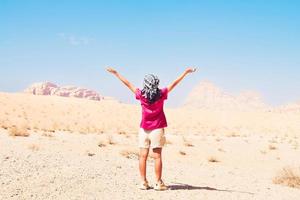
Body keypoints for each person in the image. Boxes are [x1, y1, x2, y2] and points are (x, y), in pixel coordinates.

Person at [106, 67, 196, 190]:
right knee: (157, 157)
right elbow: (175, 83)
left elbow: (128, 84)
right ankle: (158, 183)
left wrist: (116, 73)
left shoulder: (141, 94)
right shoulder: (162, 94)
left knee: (142, 156)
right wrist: (185, 72)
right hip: (157, 129)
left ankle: (143, 182)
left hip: (144, 129)